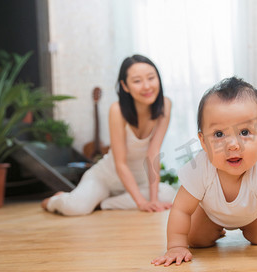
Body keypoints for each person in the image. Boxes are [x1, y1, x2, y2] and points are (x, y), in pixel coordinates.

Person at [152, 77, 257, 272]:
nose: (233, 145)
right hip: (210, 215)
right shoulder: (200, 166)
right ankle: (215, 229)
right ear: (203, 141)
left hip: (253, 216)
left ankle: (249, 228)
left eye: (244, 132)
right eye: (218, 134)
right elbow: (181, 209)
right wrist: (175, 246)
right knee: (196, 239)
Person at [41, 54, 176, 216]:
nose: (147, 86)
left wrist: (153, 200)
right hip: (106, 178)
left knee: (169, 194)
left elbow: (153, 153)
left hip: (139, 180)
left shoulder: (165, 105)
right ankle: (57, 200)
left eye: (151, 78)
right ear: (125, 86)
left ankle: (102, 204)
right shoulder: (117, 110)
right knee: (75, 209)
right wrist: (141, 202)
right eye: (137, 81)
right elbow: (121, 163)